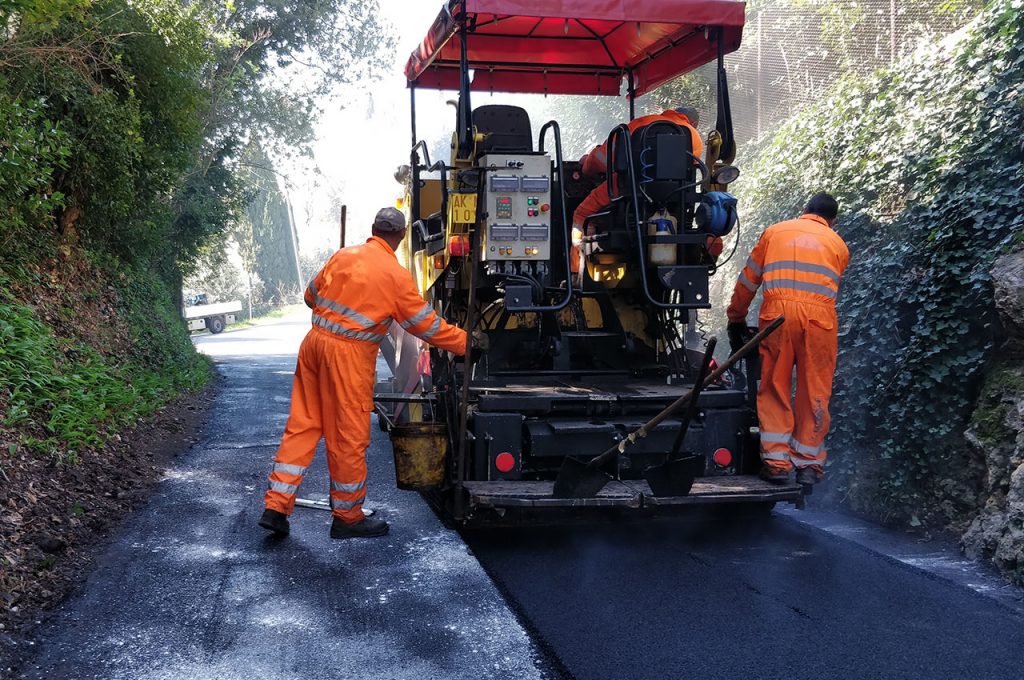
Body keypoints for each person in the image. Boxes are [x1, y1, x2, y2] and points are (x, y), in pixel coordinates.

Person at [259, 207, 474, 539]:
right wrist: (466, 342)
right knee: (348, 434)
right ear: (401, 237)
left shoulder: (342, 256)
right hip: (348, 356)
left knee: (302, 425)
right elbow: (424, 325)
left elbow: (309, 297)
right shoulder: (395, 275)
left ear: (373, 228)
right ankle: (347, 516)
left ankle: (276, 507)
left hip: (313, 345)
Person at [726, 192, 849, 487]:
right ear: (832, 221)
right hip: (820, 321)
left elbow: (748, 281)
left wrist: (736, 317)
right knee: (814, 390)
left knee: (775, 386)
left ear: (803, 209)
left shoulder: (775, 232)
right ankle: (807, 465)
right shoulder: (838, 245)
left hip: (778, 317)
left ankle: (777, 464)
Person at [570, 107, 718, 277]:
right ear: (693, 123)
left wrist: (586, 167)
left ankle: (576, 274)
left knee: (581, 215)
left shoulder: (642, 123)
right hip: (674, 201)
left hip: (628, 193)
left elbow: (601, 160)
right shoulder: (694, 136)